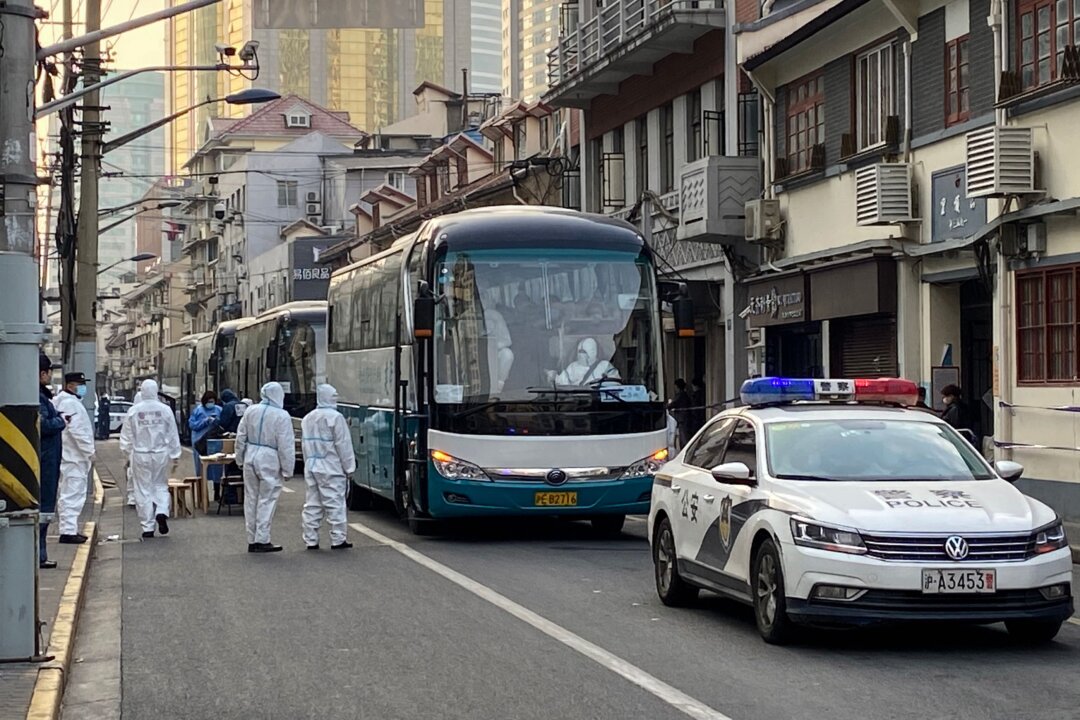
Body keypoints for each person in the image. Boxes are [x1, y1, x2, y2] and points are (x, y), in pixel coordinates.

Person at [235, 382, 296, 553]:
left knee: (251, 498)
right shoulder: (282, 416)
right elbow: (286, 445)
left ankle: (251, 539)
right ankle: (262, 538)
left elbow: (240, 437)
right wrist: (288, 469)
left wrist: (239, 458)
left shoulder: (250, 411)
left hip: (250, 455)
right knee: (267, 499)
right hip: (269, 458)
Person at [120, 380, 182, 539]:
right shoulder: (165, 410)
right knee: (160, 484)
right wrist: (175, 456)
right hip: (160, 453)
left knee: (143, 489)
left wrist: (126, 454)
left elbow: (126, 436)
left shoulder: (134, 411)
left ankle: (147, 526)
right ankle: (162, 510)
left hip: (140, 454)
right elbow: (173, 434)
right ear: (156, 391)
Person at [300, 384, 357, 550]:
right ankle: (338, 539)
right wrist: (349, 468)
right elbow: (343, 445)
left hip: (312, 465)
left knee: (312, 503)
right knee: (335, 503)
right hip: (331, 466)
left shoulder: (308, 418)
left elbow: (304, 445)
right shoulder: (336, 418)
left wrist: (307, 463)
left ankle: (311, 539)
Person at [53, 372, 95, 544]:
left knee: (69, 493)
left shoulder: (63, 402)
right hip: (74, 457)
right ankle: (68, 531)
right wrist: (90, 451)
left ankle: (69, 528)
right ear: (70, 386)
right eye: (80, 384)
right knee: (72, 494)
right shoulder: (70, 404)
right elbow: (77, 431)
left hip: (69, 456)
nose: (83, 387)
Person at [38, 354, 66, 569]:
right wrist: (61, 421)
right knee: (44, 507)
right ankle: (40, 554)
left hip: (47, 459)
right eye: (49, 372)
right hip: (44, 461)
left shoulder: (42, 396)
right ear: (42, 373)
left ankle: (40, 552)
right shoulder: (38, 398)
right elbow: (44, 425)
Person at [555, 337, 620, 386]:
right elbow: (562, 382)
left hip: (598, 400)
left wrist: (600, 384)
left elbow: (616, 383)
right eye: (579, 351)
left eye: (584, 352)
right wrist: (553, 377)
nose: (581, 354)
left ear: (593, 352)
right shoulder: (573, 367)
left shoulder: (604, 365)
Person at [188, 390, 221, 477]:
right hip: (199, 441)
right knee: (201, 467)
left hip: (213, 441)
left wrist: (216, 421)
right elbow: (192, 425)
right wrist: (205, 421)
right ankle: (201, 486)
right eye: (208, 401)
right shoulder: (198, 410)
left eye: (212, 401)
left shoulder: (219, 409)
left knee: (216, 465)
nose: (210, 403)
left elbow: (223, 423)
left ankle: (216, 487)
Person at [668, 378, 693, 449]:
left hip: (683, 419)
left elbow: (672, 405)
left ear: (677, 387)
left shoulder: (680, 395)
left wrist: (667, 405)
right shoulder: (684, 395)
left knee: (684, 438)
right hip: (684, 418)